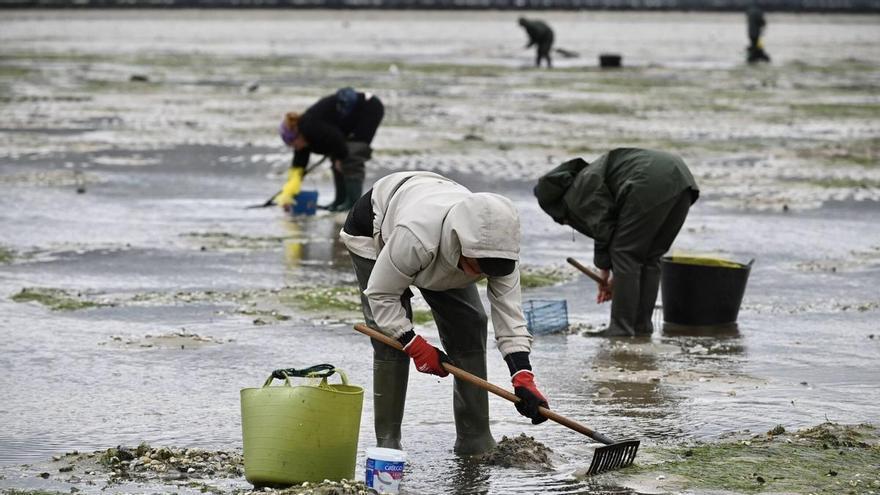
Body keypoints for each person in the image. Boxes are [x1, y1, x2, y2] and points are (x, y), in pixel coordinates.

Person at [340, 171, 549, 455]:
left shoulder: (499, 252)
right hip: (378, 226)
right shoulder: (416, 238)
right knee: (388, 341)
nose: (485, 274)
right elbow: (381, 294)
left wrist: (523, 374)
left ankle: (474, 439)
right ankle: (387, 444)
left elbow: (509, 315)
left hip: (437, 228)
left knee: (470, 325)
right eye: (479, 267)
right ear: (461, 243)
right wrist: (414, 345)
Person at [534, 148, 699, 337]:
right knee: (649, 258)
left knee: (625, 254)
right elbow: (605, 224)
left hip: (647, 181)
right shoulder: (590, 176)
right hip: (682, 180)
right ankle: (641, 326)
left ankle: (621, 328)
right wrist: (608, 271)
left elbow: (604, 227)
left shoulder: (577, 192)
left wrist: (611, 270)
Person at [277, 87, 384, 212]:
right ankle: (340, 201)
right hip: (348, 122)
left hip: (368, 108)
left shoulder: (310, 127)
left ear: (297, 134)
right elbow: (298, 170)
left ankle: (352, 207)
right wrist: (287, 195)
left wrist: (340, 158)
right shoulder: (303, 142)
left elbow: (336, 138)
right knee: (338, 160)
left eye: (293, 144)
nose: (294, 148)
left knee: (352, 155)